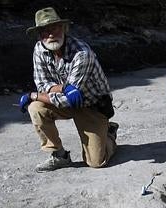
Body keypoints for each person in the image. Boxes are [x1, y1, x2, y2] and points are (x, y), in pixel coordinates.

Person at [19, 7, 118, 173]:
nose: (50, 34)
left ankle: (109, 133)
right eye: (44, 30)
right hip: (66, 99)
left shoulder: (82, 53)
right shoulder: (39, 49)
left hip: (91, 106)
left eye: (54, 28)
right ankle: (59, 155)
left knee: (96, 162)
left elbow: (67, 99)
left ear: (64, 28)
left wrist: (33, 95)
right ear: (39, 34)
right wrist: (64, 87)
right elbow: (42, 84)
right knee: (35, 108)